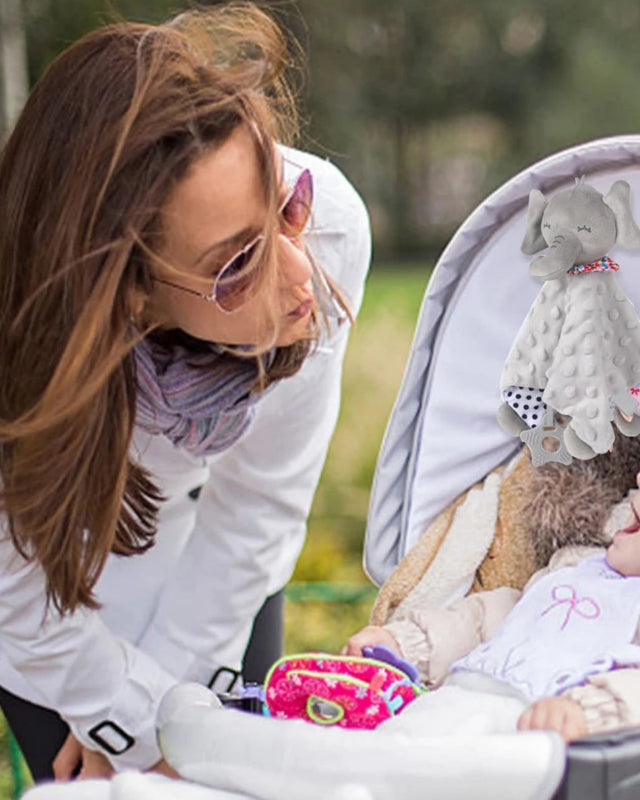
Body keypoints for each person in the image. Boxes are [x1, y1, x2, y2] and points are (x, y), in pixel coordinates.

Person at [0, 2, 370, 783]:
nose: (299, 275)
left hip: (222, 578)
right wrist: (119, 721)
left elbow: (258, 504)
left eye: (284, 206)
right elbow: (14, 578)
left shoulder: (330, 228)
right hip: (48, 591)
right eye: (237, 265)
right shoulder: (20, 341)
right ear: (130, 292)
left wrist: (177, 726)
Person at [345, 416, 640, 741]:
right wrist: (406, 645)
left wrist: (594, 711)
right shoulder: (575, 567)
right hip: (448, 710)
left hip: (534, 746)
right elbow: (488, 619)